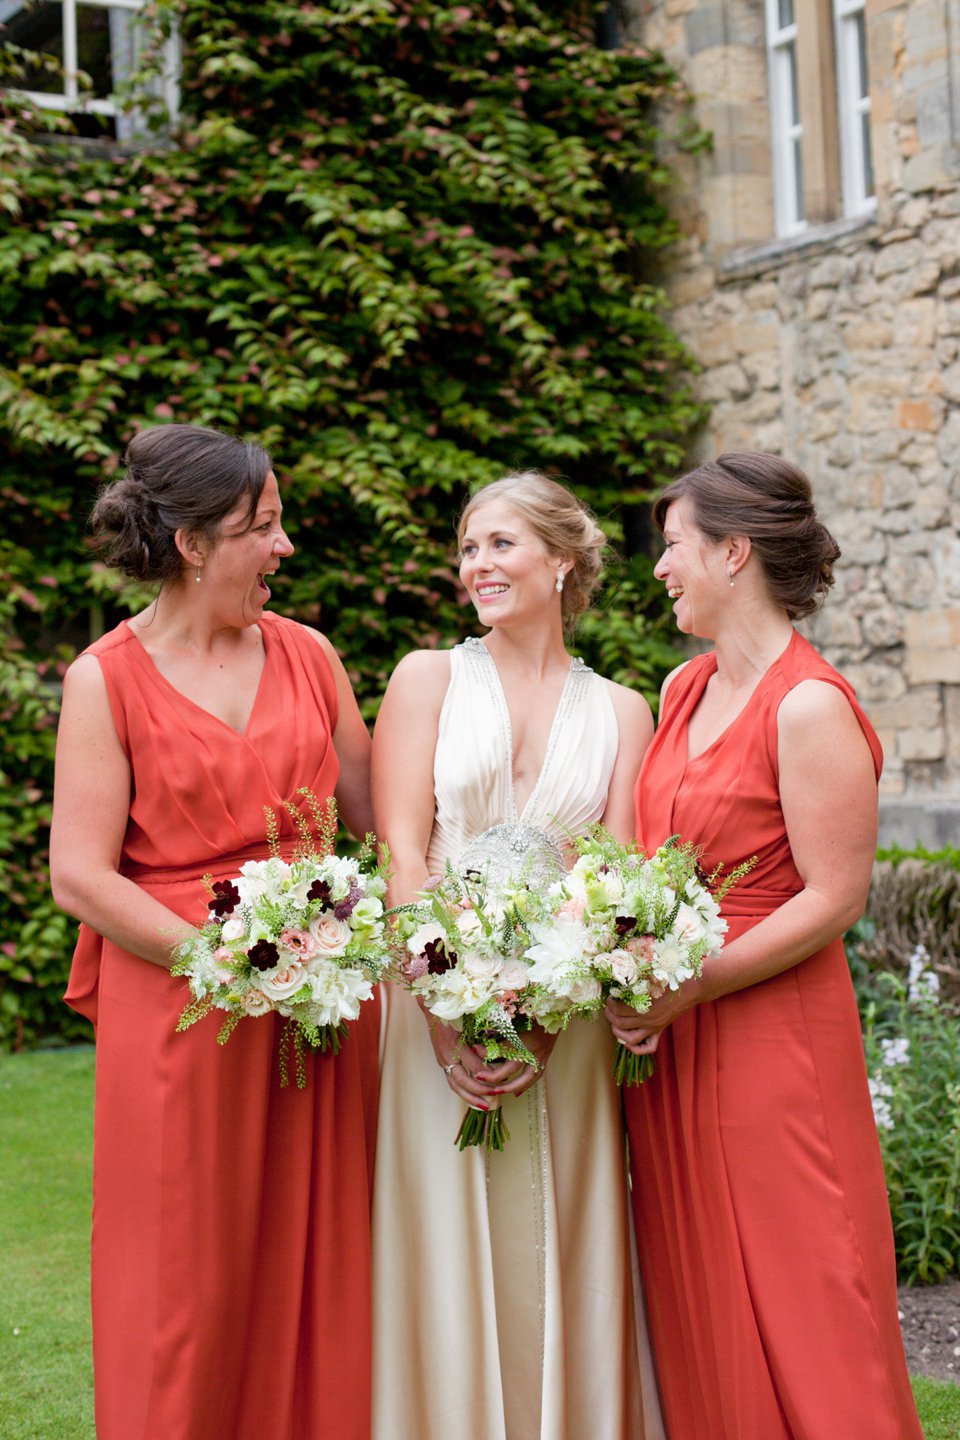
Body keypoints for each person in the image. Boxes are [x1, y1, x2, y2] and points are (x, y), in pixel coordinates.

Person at [50, 424, 379, 1440]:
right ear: (192, 545)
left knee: (323, 1264)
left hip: (319, 1008)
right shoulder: (104, 679)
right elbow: (80, 874)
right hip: (181, 1014)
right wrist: (224, 958)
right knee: (182, 1281)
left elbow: (382, 823)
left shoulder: (311, 655)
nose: (283, 549)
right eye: (262, 527)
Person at [608, 452, 924, 1440]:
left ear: (733, 551)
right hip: (674, 1034)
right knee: (700, 1297)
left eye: (674, 547)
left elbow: (834, 897)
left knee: (809, 1290)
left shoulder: (809, 705)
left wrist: (688, 985)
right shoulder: (678, 690)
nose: (661, 569)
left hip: (769, 1036)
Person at [370, 471, 665, 1440]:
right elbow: (403, 850)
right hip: (433, 1015)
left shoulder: (624, 709)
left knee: (564, 1238)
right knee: (445, 1250)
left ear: (563, 559)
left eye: (499, 544)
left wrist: (545, 1014)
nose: (476, 566)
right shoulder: (427, 679)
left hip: (567, 1025)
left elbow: (615, 875)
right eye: (467, 549)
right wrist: (448, 1001)